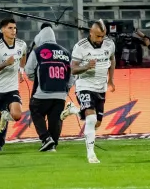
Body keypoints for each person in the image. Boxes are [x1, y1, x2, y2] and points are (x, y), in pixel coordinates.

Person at [61, 19, 116, 164]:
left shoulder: (109, 44)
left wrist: (111, 80)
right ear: (90, 33)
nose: (101, 39)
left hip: (100, 87)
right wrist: (86, 67)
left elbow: (112, 59)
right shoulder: (80, 47)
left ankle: (73, 110)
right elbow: (73, 69)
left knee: (96, 123)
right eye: (98, 36)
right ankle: (91, 155)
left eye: (103, 36)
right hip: (84, 85)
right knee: (90, 119)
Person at [26, 26, 73, 152]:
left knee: (36, 110)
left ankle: (46, 139)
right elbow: (72, 74)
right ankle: (53, 143)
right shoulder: (66, 52)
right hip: (60, 94)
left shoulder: (38, 51)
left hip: (43, 93)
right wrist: (66, 88)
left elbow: (28, 70)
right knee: (55, 118)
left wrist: (37, 78)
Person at [0, 18, 27, 159]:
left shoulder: (21, 44)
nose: (13, 31)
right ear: (3, 30)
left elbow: (24, 55)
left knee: (17, 115)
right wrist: (5, 64)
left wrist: (21, 69)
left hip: (12, 88)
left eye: (15, 28)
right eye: (10, 28)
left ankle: (5, 115)